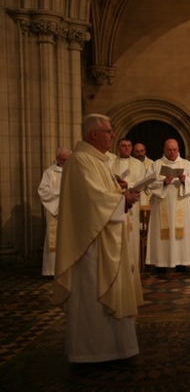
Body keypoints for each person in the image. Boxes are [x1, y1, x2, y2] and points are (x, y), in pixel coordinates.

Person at [52, 114, 142, 363]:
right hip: (91, 246)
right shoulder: (81, 161)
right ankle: (91, 352)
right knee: (92, 295)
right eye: (108, 131)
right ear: (94, 134)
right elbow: (92, 201)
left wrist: (119, 191)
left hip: (103, 239)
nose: (112, 136)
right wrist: (124, 199)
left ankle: (115, 348)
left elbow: (100, 195)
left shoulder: (94, 160)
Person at [146, 139, 190, 274]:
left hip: (181, 203)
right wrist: (163, 182)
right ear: (164, 149)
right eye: (169, 149)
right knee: (162, 232)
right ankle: (160, 263)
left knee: (181, 232)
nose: (172, 152)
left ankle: (182, 263)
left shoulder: (186, 164)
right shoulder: (156, 165)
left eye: (175, 149)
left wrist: (184, 180)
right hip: (161, 205)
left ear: (178, 149)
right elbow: (149, 183)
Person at [110, 138, 147, 271]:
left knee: (131, 234)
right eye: (123, 146)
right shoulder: (109, 163)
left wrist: (128, 185)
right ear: (118, 148)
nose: (126, 148)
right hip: (115, 202)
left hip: (132, 203)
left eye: (129, 146)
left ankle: (132, 265)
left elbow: (142, 182)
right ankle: (116, 266)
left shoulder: (138, 164)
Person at [38, 147, 72, 277]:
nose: (65, 162)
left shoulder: (75, 170)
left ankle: (70, 268)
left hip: (72, 211)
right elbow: (43, 191)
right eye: (63, 159)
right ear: (57, 159)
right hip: (55, 211)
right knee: (54, 239)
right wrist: (61, 195)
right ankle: (52, 270)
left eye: (68, 159)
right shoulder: (49, 172)